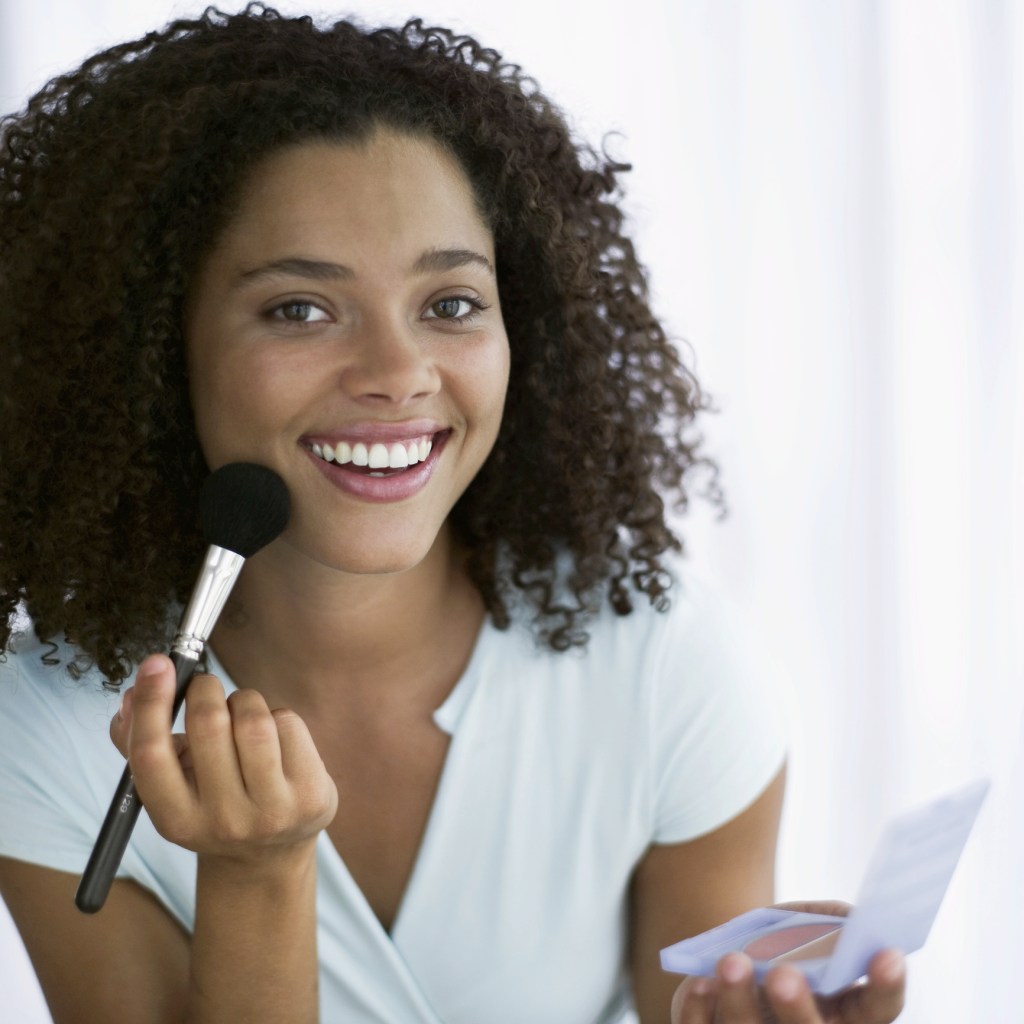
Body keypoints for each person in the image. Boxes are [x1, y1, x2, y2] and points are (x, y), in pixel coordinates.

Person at [0, 5, 907, 1022]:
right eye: (300, 307)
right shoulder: (53, 732)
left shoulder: (662, 670)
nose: (398, 375)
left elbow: (694, 1006)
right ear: (154, 350)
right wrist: (255, 878)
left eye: (450, 304)